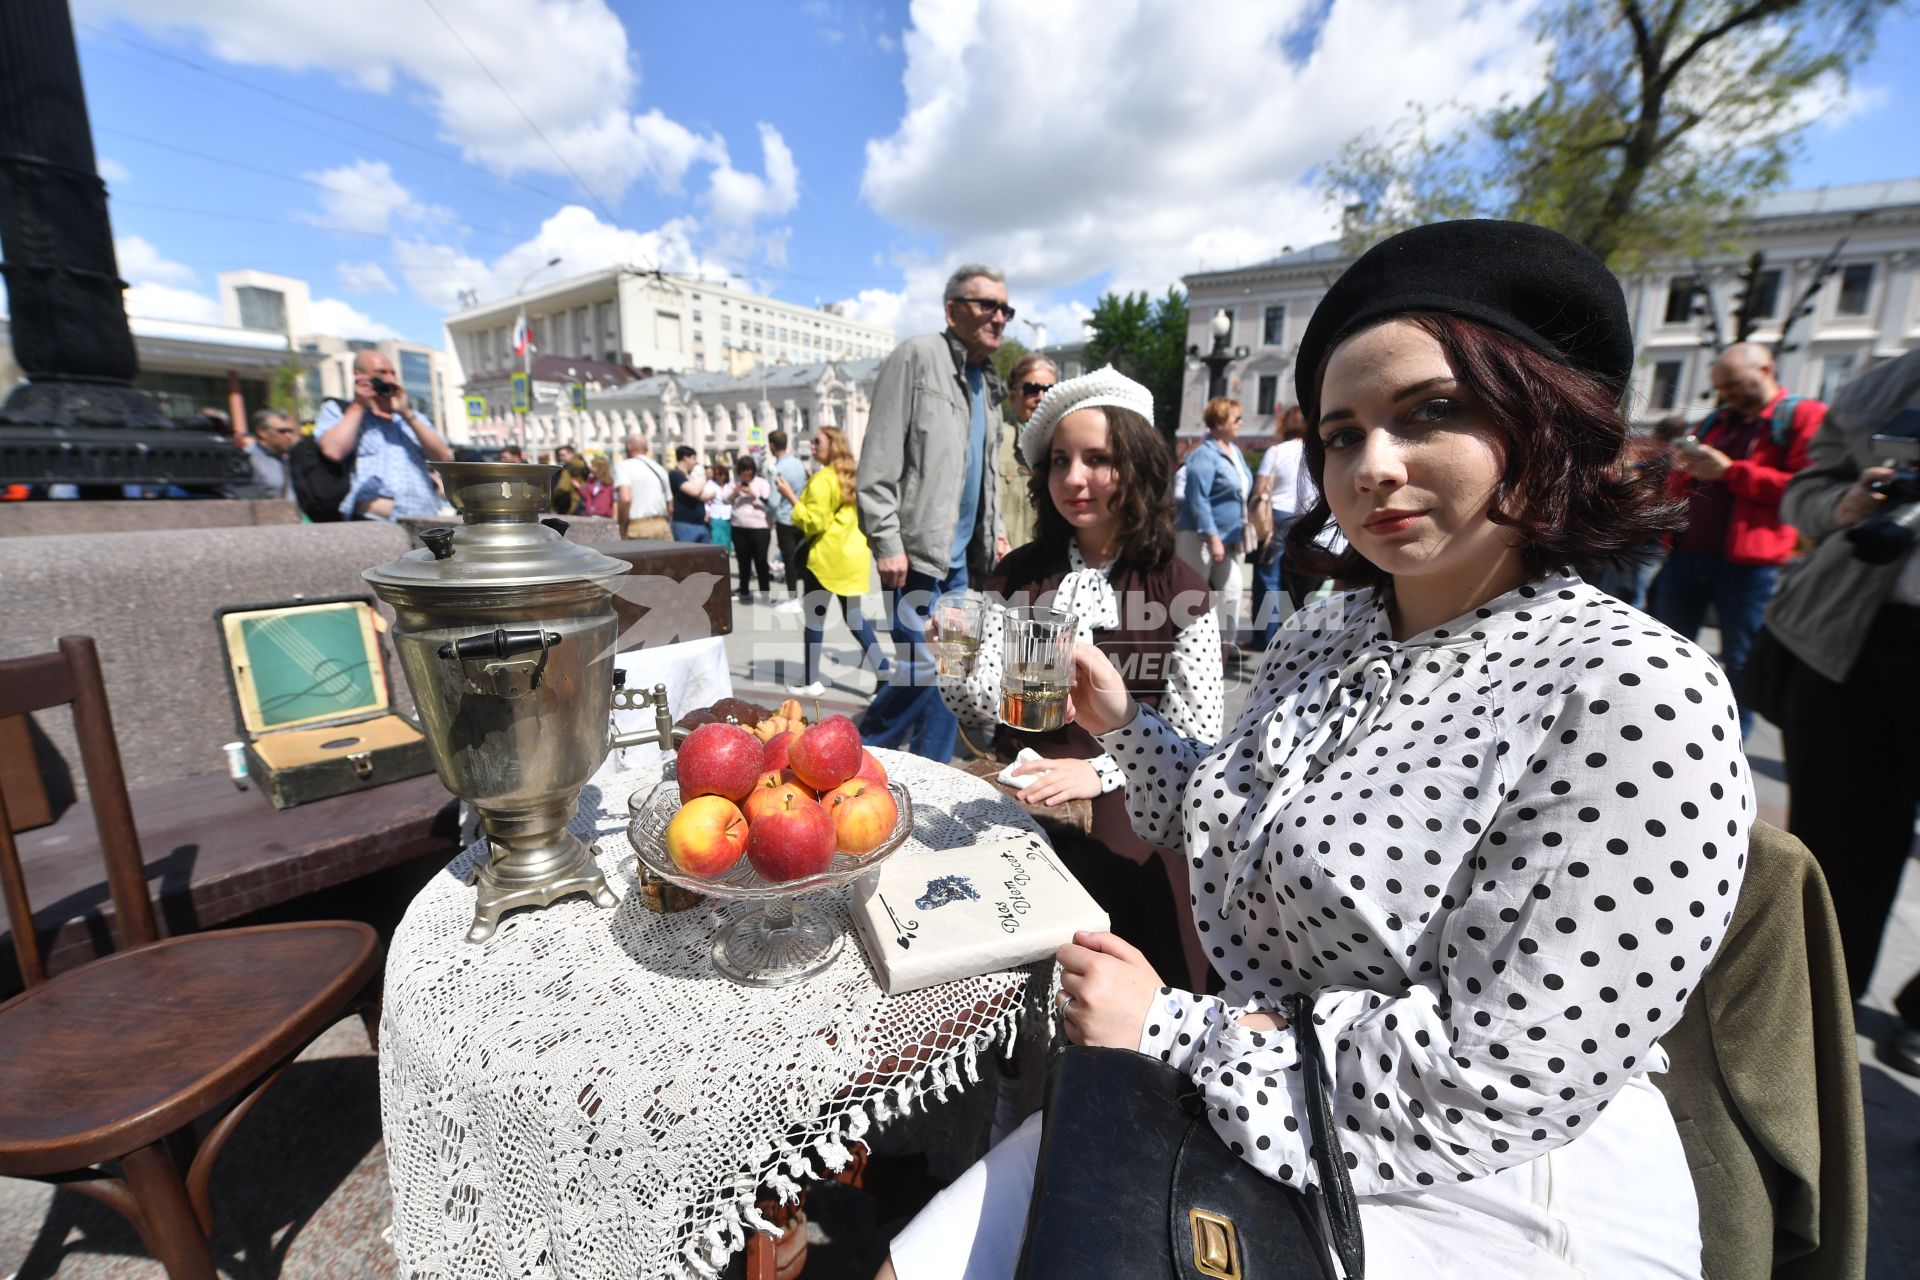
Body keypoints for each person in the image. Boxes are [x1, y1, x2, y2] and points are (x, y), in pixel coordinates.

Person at [881, 220, 1748, 1280]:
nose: (1373, 464)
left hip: (1484, 1186)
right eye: (1341, 432)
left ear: (1544, 416)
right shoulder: (1323, 633)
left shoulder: (1634, 690)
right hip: (1243, 1078)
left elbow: (1499, 1076)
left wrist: (1173, 1029)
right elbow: (1220, 805)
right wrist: (1118, 724)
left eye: (1433, 411)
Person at [937, 366, 1223, 990]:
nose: (1073, 479)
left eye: (1097, 458)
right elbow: (988, 720)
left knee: (1120, 880)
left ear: (1137, 464)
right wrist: (954, 667)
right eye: (1059, 460)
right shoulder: (1016, 575)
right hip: (1022, 777)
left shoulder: (1181, 587)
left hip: (1134, 784)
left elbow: (1198, 740)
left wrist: (1094, 772)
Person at [1763, 347, 1920, 1015]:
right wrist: (1847, 503)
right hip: (1853, 643)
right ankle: (1811, 1015)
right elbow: (1805, 494)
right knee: (1835, 852)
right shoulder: (1883, 387)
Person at [856, 262, 1011, 762]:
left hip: (964, 561)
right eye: (987, 304)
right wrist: (886, 539)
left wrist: (999, 532)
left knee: (954, 677)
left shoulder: (988, 381)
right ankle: (854, 755)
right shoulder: (917, 357)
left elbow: (982, 473)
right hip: (916, 555)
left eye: (1005, 307)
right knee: (923, 669)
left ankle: (930, 773)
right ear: (952, 309)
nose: (1000, 316)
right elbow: (879, 454)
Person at [1646, 341, 1823, 737]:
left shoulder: (1801, 416)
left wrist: (1732, 472)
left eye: (1734, 385)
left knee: (1741, 658)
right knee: (1664, 650)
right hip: (1689, 554)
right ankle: (1661, 730)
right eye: (1721, 388)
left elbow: (1806, 489)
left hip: (1750, 565)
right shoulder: (1719, 421)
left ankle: (1732, 742)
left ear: (1766, 370)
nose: (1726, 395)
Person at [790, 427, 889, 698]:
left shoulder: (823, 479)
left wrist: (791, 499)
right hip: (853, 558)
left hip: (825, 558)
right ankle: (883, 673)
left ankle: (811, 680)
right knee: (856, 619)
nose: (812, 446)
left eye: (817, 442)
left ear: (833, 445)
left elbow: (814, 522)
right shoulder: (854, 476)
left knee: (814, 619)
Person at [317, 350, 454, 519]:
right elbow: (333, 451)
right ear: (358, 375)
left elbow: (443, 457)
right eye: (381, 373)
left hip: (423, 515)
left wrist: (406, 413)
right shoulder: (341, 410)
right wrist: (359, 404)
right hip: (373, 520)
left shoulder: (411, 417)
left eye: (393, 373)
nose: (389, 379)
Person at [1175, 396, 1254, 655]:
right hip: (1198, 536)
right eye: (1236, 418)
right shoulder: (1203, 454)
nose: (1241, 422)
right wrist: (1212, 537)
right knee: (1193, 594)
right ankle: (1185, 647)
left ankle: (1223, 648)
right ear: (1219, 422)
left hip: (1226, 539)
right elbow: (1198, 499)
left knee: (1231, 589)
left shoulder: (1235, 451)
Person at [1247, 404, 1308, 645]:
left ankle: (1265, 637)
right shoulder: (1315, 451)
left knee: (1268, 578)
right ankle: (1293, 635)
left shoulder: (1276, 452)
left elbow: (1261, 488)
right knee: (1298, 578)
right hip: (1306, 518)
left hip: (1276, 518)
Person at [993, 353, 1058, 553]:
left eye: (1050, 390)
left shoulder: (1069, 446)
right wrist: (995, 536)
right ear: (1012, 397)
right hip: (1001, 565)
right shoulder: (995, 440)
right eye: (1031, 389)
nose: (1041, 397)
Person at [766, 428, 812, 614]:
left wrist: (769, 518)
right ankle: (807, 596)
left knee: (789, 559)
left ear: (771, 446)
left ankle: (793, 599)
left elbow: (773, 501)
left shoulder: (778, 469)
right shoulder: (798, 464)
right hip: (800, 516)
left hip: (785, 520)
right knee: (802, 558)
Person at [722, 456, 774, 604]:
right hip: (739, 527)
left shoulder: (761, 483)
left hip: (759, 528)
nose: (745, 474)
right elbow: (725, 500)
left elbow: (769, 503)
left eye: (748, 470)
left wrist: (753, 494)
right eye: (743, 471)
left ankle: (765, 593)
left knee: (760, 561)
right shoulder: (733, 483)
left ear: (753, 470)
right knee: (743, 561)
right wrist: (735, 492)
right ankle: (743, 589)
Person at [615, 433, 674, 540]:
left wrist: (622, 525)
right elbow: (670, 506)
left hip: (638, 527)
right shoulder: (660, 468)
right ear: (646, 448)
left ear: (629, 447)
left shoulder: (623, 466)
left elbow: (625, 498)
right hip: (662, 526)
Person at [234, 409, 299, 500]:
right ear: (262, 432)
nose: (289, 436)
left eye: (290, 431)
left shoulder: (291, 458)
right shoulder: (247, 458)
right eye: (282, 431)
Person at [669, 445, 711, 543]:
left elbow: (701, 495)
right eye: (693, 458)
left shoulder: (689, 476)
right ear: (685, 458)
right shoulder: (675, 475)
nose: (695, 462)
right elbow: (694, 491)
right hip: (684, 525)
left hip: (700, 524)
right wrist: (706, 477)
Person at [579, 454, 615, 518]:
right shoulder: (591, 481)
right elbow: (586, 496)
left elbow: (614, 502)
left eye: (594, 466)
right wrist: (580, 487)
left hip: (604, 516)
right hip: (589, 515)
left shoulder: (609, 484)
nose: (591, 468)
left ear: (602, 469)